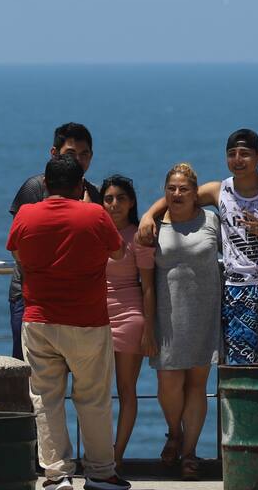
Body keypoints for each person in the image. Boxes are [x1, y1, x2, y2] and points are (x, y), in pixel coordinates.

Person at [8, 154, 131, 490]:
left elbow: (17, 253)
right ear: (81, 186)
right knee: (93, 399)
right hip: (88, 320)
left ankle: (57, 474)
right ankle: (101, 472)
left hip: (39, 319)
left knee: (46, 399)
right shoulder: (95, 214)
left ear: (45, 184)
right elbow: (118, 253)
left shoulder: (26, 215)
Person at [138, 129, 258, 367]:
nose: (238, 160)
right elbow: (181, 195)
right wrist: (149, 215)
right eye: (232, 154)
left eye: (245, 154)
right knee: (241, 369)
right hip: (238, 292)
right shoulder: (219, 191)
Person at [148, 163, 223, 481]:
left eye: (184, 189)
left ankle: (189, 453)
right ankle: (173, 432)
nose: (177, 194)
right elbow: (144, 278)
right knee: (168, 384)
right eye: (171, 188)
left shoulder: (212, 220)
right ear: (164, 192)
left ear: (196, 194)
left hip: (204, 312)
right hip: (167, 316)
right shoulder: (153, 227)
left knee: (197, 385)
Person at [8, 122, 101, 360]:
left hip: (80, 301)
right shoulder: (35, 188)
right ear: (54, 153)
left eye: (84, 154)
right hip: (30, 299)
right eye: (70, 153)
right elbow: (19, 245)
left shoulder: (95, 193)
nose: (79, 160)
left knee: (79, 378)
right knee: (26, 374)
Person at [99, 175, 157, 469]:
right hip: (96, 318)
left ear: (131, 202)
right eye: (109, 198)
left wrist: (149, 327)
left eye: (121, 198)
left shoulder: (139, 236)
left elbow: (148, 285)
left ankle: (117, 454)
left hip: (130, 315)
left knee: (126, 390)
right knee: (93, 391)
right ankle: (99, 453)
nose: (114, 204)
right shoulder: (94, 233)